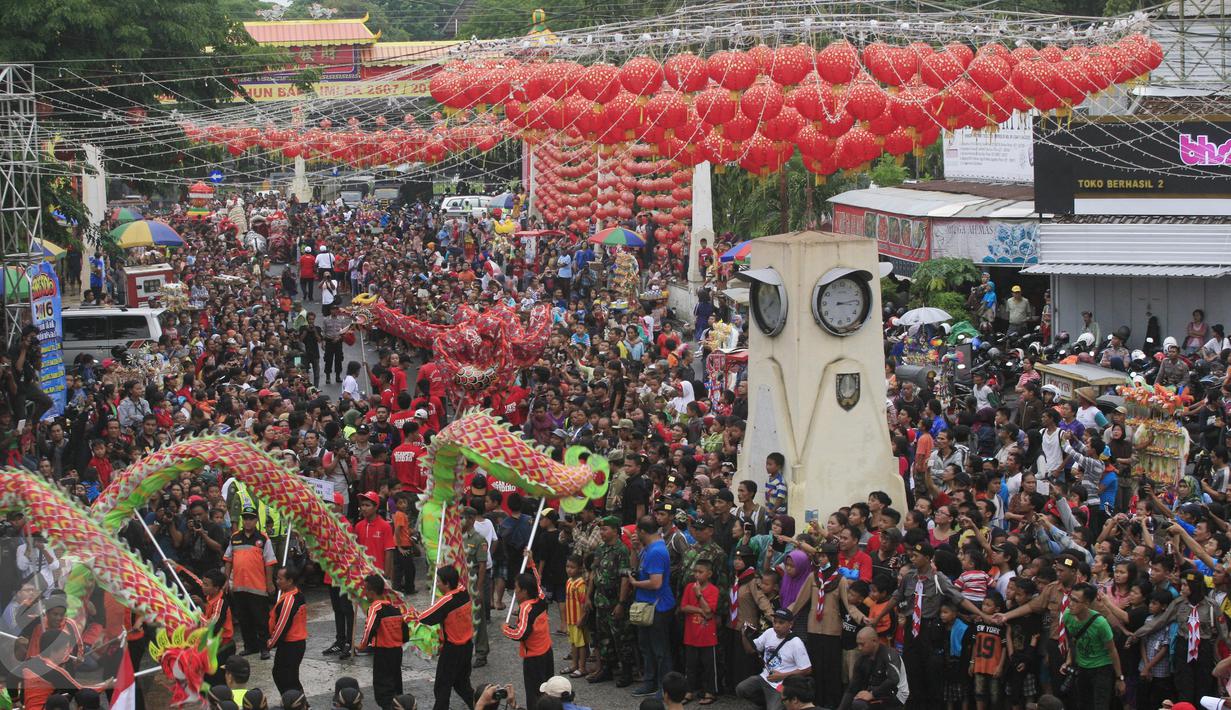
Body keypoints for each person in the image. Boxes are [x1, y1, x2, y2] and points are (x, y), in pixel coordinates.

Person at [629, 515, 675, 697]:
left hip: (658, 607)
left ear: (642, 531)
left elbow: (656, 583)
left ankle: (664, 686)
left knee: (660, 650)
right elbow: (637, 566)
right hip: (647, 605)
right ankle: (650, 682)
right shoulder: (650, 547)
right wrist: (635, 549)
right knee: (647, 647)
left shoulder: (656, 551)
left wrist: (635, 584)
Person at [418, 566, 475, 710]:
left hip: (453, 649)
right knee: (462, 684)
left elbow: (425, 618)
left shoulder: (447, 601)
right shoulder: (464, 592)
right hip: (467, 646)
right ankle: (480, 705)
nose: (436, 584)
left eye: (438, 581)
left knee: (442, 686)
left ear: (447, 584)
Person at [224, 506, 276, 660]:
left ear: (255, 520)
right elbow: (228, 560)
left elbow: (269, 562)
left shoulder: (263, 538)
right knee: (244, 619)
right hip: (239, 586)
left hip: (257, 587)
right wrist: (226, 580)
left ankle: (264, 648)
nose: (247, 521)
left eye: (251, 518)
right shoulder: (235, 537)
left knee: (261, 619)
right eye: (245, 518)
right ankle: (250, 647)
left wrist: (269, 583)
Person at [1061, 583, 1123, 710]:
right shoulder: (1067, 615)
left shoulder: (1100, 623)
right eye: (1070, 598)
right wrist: (1069, 660)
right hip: (1082, 667)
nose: (1070, 603)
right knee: (1083, 704)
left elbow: (1112, 650)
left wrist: (1119, 678)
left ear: (1087, 603)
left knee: (1100, 705)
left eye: (1076, 601)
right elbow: (1073, 640)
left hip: (1101, 668)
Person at [737, 608, 812, 710]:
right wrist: (744, 635)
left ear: (790, 624)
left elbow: (807, 669)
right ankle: (766, 703)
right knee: (741, 689)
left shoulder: (796, 643)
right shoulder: (769, 632)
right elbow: (750, 650)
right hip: (764, 678)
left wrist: (781, 676)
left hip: (781, 686)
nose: (776, 625)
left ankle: (778, 704)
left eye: (781, 623)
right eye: (775, 622)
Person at [504, 555, 554, 707]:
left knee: (534, 693)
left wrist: (506, 629)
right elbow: (537, 582)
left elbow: (521, 633)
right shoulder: (540, 598)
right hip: (547, 651)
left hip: (534, 657)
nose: (515, 593)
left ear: (524, 591)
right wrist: (531, 563)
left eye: (516, 590)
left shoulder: (526, 608)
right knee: (548, 689)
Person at [358, 573, 407, 709]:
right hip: (397, 652)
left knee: (383, 688)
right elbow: (405, 634)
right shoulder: (395, 609)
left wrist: (362, 645)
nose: (364, 592)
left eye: (365, 589)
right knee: (396, 683)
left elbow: (369, 629)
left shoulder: (375, 608)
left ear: (371, 592)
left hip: (383, 652)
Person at [837, 627, 909, 710]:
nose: (859, 648)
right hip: (876, 694)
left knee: (860, 704)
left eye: (862, 644)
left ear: (874, 641)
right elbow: (852, 689)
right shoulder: (861, 660)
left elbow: (893, 680)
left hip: (896, 696)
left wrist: (872, 694)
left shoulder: (890, 654)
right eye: (858, 644)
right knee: (856, 702)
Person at [680, 558, 719, 704]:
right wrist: (700, 610)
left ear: (709, 574)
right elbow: (684, 607)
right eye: (695, 571)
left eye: (700, 572)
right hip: (690, 634)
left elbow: (709, 611)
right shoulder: (689, 587)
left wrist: (698, 595)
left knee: (709, 666)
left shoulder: (713, 590)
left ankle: (710, 692)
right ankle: (689, 691)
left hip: (707, 636)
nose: (697, 575)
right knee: (690, 666)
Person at [267, 566, 307, 695]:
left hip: (291, 644)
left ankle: (293, 702)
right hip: (295, 643)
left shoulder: (289, 600)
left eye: (280, 579)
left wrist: (271, 643)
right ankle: (298, 703)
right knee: (290, 677)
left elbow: (282, 625)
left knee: (283, 676)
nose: (277, 581)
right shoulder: (295, 594)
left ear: (290, 581)